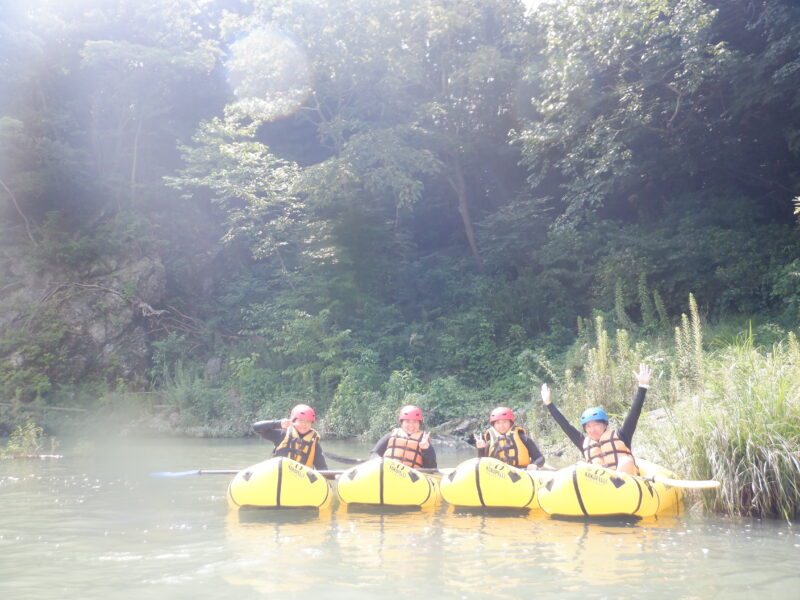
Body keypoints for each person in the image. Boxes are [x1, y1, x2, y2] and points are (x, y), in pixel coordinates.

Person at [541, 363, 652, 475]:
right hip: (600, 486)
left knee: (626, 461)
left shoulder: (622, 435)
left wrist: (642, 387)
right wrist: (548, 403)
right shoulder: (583, 442)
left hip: (625, 483)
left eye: (596, 425)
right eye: (588, 426)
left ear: (604, 425)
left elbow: (634, 414)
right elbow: (565, 426)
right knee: (580, 466)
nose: (592, 430)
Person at [252, 403, 328, 470]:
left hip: (301, 481)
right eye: (301, 421)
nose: (304, 424)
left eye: (308, 421)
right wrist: (279, 423)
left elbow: (322, 467)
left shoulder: (313, 443)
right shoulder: (282, 434)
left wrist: (335, 477)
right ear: (293, 421)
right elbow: (256, 428)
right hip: (280, 475)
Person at [475, 406, 546, 470]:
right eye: (498, 423)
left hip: (521, 472)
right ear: (494, 425)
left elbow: (540, 458)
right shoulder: (489, 443)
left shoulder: (523, 438)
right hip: (498, 475)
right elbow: (482, 465)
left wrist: (534, 464)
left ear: (510, 423)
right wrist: (481, 449)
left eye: (505, 422)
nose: (501, 426)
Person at [370, 405, 437, 469]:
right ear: (401, 423)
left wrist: (425, 450)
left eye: (414, 422)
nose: (411, 425)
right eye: (407, 422)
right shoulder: (391, 436)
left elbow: (432, 468)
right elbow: (374, 453)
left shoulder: (424, 441)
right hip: (389, 472)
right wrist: (380, 462)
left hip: (411, 478)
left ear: (419, 424)